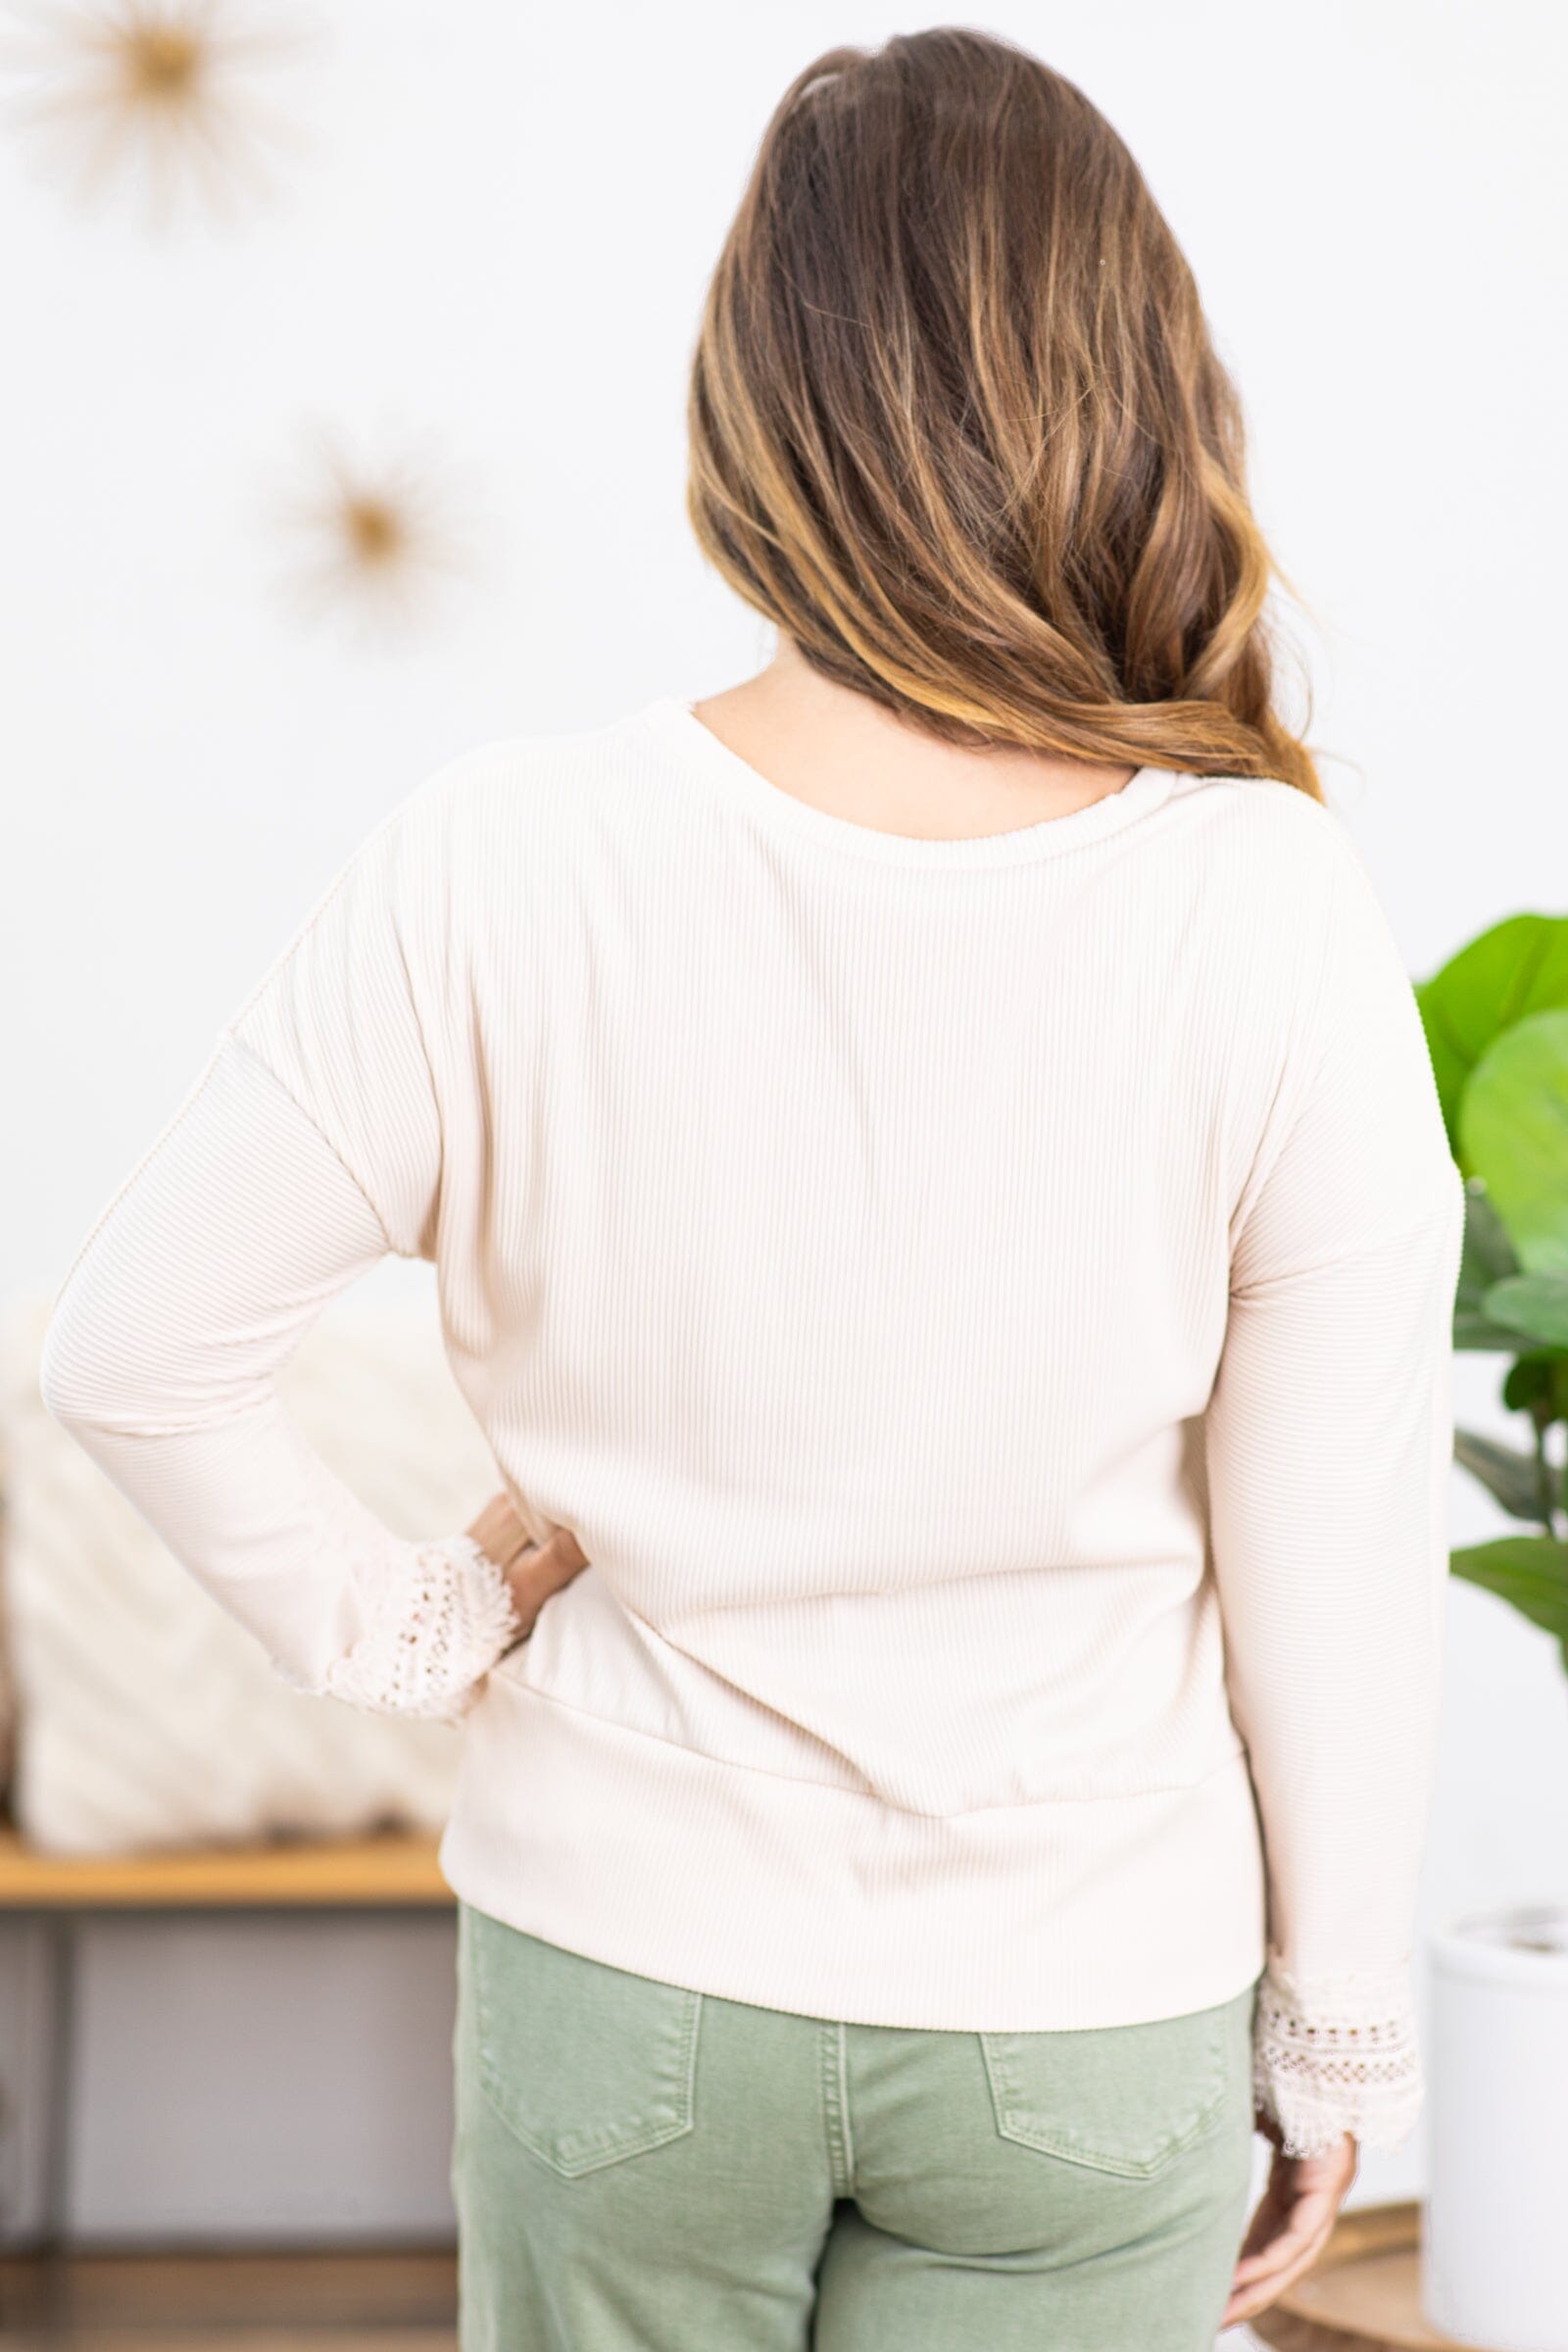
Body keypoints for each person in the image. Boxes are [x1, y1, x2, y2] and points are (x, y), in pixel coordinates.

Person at [38, 27, 1464, 2351]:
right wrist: (1334, 2034)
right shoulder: (1264, 902)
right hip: (1080, 2006)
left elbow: (131, 1352)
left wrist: (407, 1628)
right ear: (1134, 380)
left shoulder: (503, 860)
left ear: (754, 405)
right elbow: (1327, 1532)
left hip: (628, 1982)